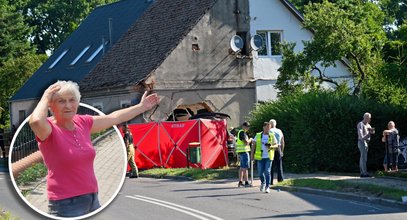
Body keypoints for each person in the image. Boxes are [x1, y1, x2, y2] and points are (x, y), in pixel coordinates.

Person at [29, 80, 159, 217]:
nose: (68, 105)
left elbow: (114, 118)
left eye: (72, 100)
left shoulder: (82, 122)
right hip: (65, 203)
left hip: (92, 198)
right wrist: (45, 96)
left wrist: (142, 107)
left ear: (77, 103)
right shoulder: (48, 129)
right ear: (51, 105)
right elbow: (36, 121)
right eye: (61, 101)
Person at [251, 122, 277, 193]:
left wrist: (271, 146)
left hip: (268, 157)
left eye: (269, 128)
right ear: (263, 127)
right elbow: (254, 145)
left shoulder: (272, 135)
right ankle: (263, 182)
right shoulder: (258, 135)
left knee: (267, 171)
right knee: (260, 173)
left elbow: (276, 145)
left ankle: (267, 186)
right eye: (267, 127)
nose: (268, 129)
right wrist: (252, 155)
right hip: (260, 157)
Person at [357, 112, 374, 178]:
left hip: (366, 142)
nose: (370, 119)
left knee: (363, 158)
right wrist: (368, 134)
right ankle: (364, 173)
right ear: (365, 117)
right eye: (369, 118)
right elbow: (361, 136)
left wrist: (371, 132)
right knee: (363, 158)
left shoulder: (369, 125)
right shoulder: (360, 124)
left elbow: (371, 133)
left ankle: (363, 173)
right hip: (362, 142)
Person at [236, 121, 252, 187]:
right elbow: (246, 143)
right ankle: (246, 182)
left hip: (241, 152)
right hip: (244, 152)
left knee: (242, 167)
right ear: (243, 126)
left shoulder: (241, 132)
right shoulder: (242, 133)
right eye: (247, 127)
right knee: (245, 168)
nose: (247, 128)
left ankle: (240, 181)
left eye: (248, 127)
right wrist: (250, 140)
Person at [269, 119, 285, 185]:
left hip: (271, 148)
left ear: (270, 124)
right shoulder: (279, 131)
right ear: (275, 124)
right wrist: (282, 151)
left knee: (270, 166)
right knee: (279, 165)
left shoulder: (269, 131)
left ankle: (270, 181)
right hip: (278, 148)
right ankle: (280, 179)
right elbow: (282, 141)